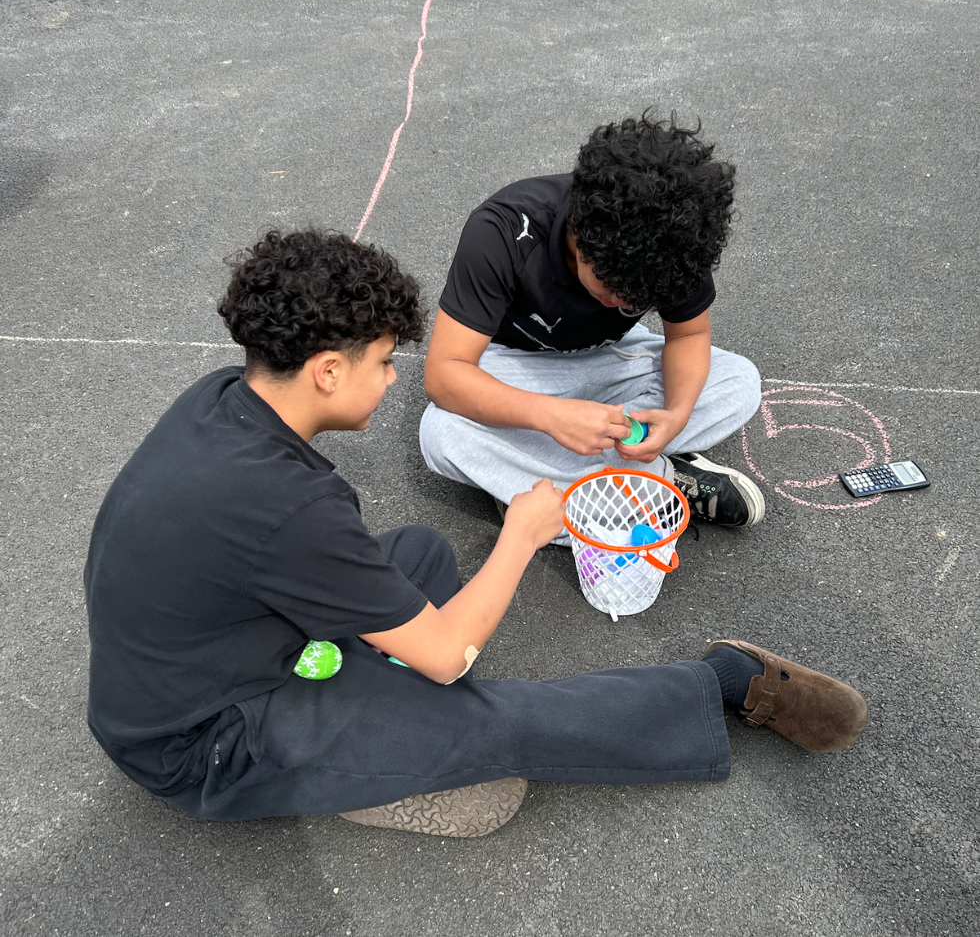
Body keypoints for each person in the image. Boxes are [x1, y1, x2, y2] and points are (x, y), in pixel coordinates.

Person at [84, 228, 867, 838]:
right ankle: (721, 685)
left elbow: (274, 546)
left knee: (419, 554)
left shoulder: (223, 397)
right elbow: (447, 654)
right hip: (204, 744)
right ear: (327, 370)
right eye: (383, 362)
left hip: (220, 653)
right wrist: (521, 534)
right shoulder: (285, 507)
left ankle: (383, 733)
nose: (394, 379)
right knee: (486, 719)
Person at [421, 110, 765, 538]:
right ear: (579, 231)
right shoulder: (503, 230)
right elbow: (444, 373)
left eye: (639, 297)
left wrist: (675, 415)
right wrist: (551, 416)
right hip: (515, 367)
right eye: (612, 286)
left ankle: (547, 486)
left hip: (611, 360)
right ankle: (658, 481)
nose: (624, 302)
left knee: (738, 381)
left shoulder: (677, 238)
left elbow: (689, 334)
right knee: (441, 433)